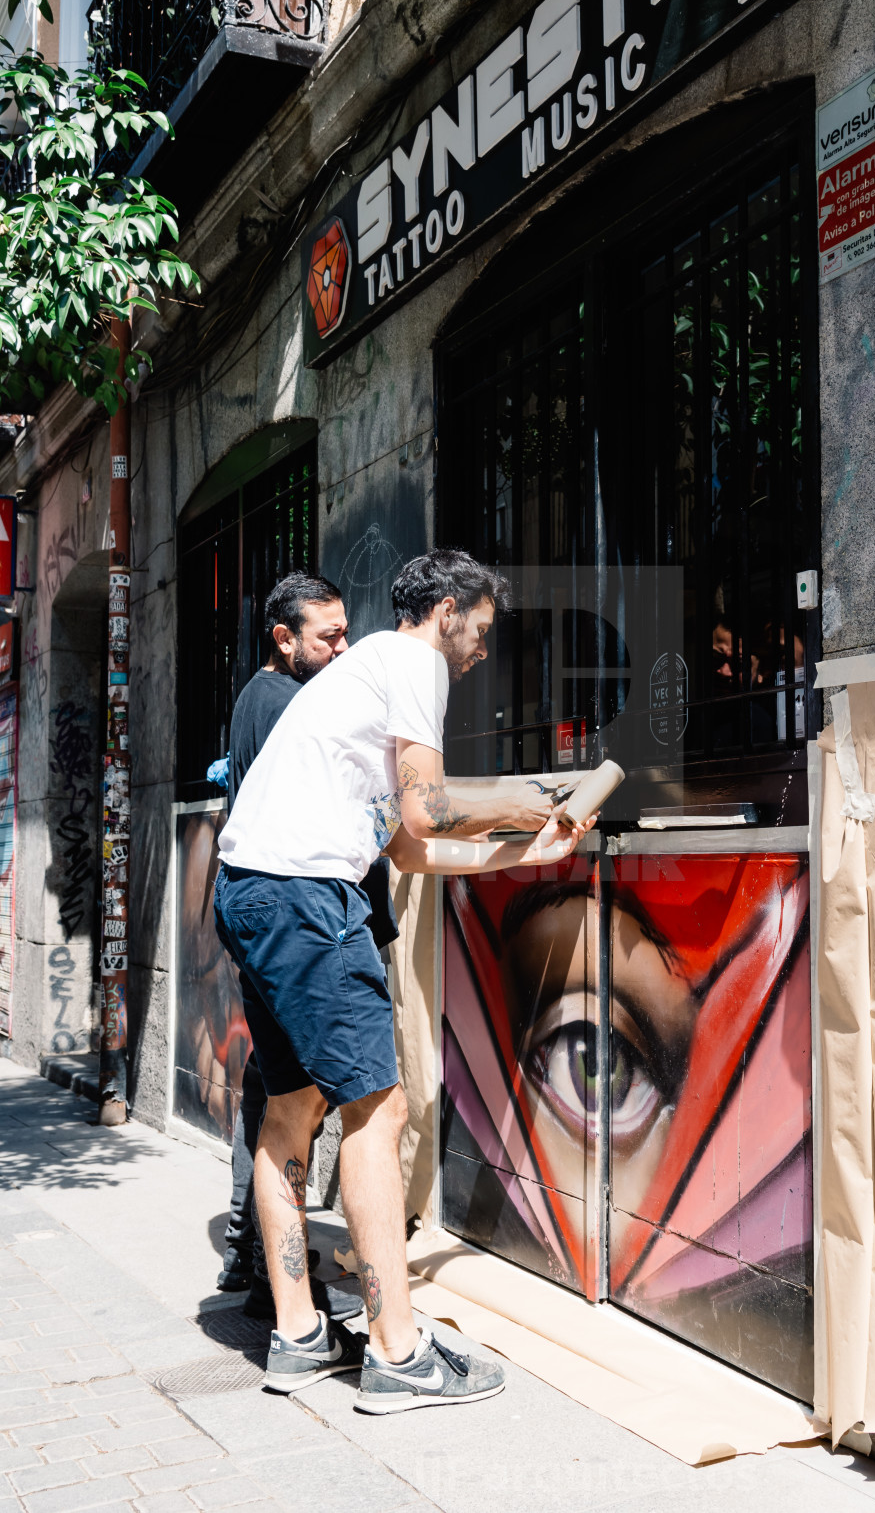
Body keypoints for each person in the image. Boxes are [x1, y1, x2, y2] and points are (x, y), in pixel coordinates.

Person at [214, 549, 595, 1410]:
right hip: (308, 899)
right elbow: (430, 809)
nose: (483, 652)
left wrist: (520, 850)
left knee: (289, 1111)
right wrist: (545, 795)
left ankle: (301, 1336)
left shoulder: (365, 677)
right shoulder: (413, 659)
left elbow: (409, 845)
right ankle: (394, 1351)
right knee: (377, 1113)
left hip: (253, 893)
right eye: (483, 631)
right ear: (450, 610)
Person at [215, 572, 380, 1327]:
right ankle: (267, 1276)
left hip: (275, 914)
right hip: (302, 917)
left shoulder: (265, 697)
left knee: (279, 1095)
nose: (342, 648)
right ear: (285, 639)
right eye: (329, 637)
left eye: (347, 633)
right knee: (307, 1104)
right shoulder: (285, 703)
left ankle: (256, 1265)